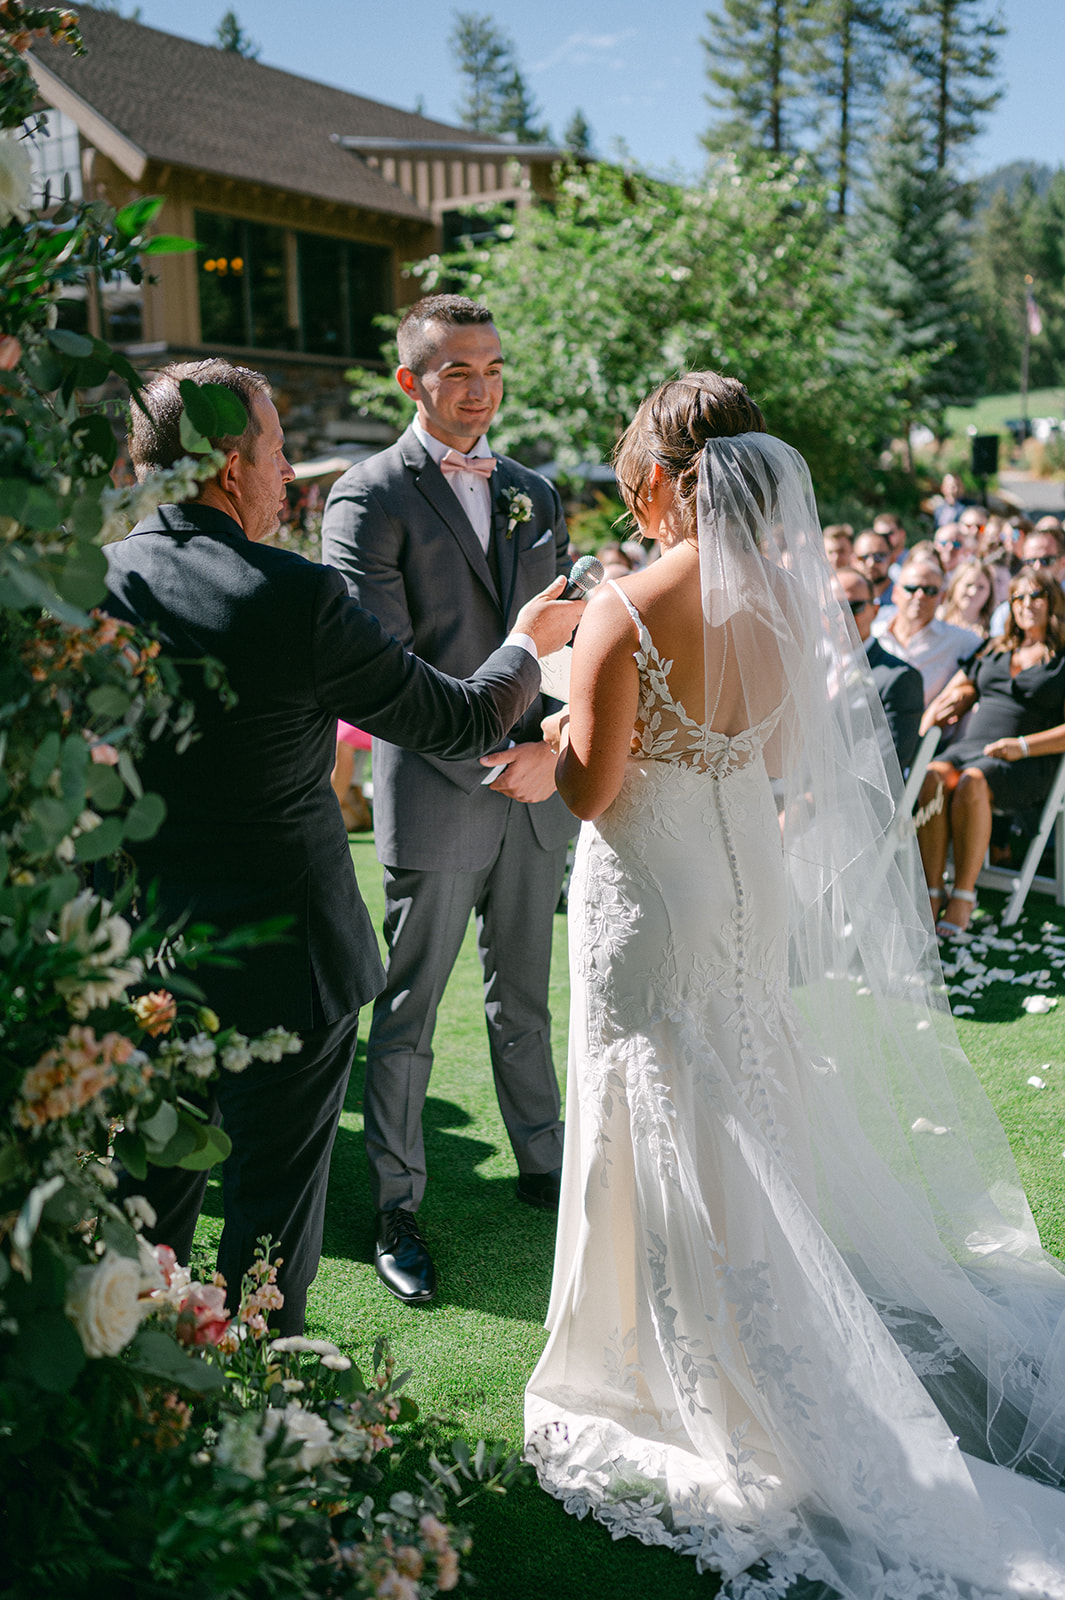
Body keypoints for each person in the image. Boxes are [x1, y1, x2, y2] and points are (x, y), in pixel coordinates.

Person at [524, 371, 1065, 1597]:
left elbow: (589, 792)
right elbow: (767, 753)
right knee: (742, 1074)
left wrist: (555, 693)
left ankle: (671, 1365)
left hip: (653, 883)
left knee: (652, 1081)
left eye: (636, 478)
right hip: (746, 869)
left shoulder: (623, 605)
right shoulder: (778, 607)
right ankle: (761, 1308)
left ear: (663, 479)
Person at [103, 358, 584, 1333]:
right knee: (267, 1235)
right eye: (280, 452)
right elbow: (455, 719)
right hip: (291, 960)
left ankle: (152, 1422)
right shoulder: (292, 594)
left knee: (146, 1221)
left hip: (139, 966)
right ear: (232, 467)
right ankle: (264, 1395)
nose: (293, 478)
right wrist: (530, 641)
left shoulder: (91, 595)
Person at [321, 294, 574, 1306]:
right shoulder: (365, 496)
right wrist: (485, 756)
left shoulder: (535, 491)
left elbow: (559, 638)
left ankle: (547, 1166)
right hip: (436, 791)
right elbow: (375, 675)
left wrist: (551, 745)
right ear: (412, 380)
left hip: (537, 790)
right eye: (459, 370)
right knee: (412, 1006)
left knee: (526, 994)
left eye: (494, 367)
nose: (482, 388)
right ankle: (396, 1201)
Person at [916, 567, 1065, 937]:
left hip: (1025, 759)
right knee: (933, 776)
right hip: (971, 747)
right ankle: (932, 891)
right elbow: (961, 686)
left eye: (1035, 596)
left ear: (1052, 603)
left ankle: (964, 896)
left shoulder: (1062, 658)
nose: (1026, 604)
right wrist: (944, 706)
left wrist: (1023, 746)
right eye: (1018, 597)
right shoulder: (994, 647)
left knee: (972, 780)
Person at [835, 566, 923, 773]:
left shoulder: (899, 678)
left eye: (853, 606)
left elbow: (886, 763)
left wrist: (811, 797)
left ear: (875, 610)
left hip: (849, 799)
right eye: (831, 609)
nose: (842, 616)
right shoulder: (811, 667)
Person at [872, 550, 981, 709]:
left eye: (930, 591)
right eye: (911, 588)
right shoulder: (874, 634)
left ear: (942, 597)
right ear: (895, 593)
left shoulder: (964, 642)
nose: (920, 596)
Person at [937, 557, 996, 637]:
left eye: (981, 587)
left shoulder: (994, 627)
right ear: (955, 586)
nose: (973, 592)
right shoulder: (938, 618)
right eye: (968, 585)